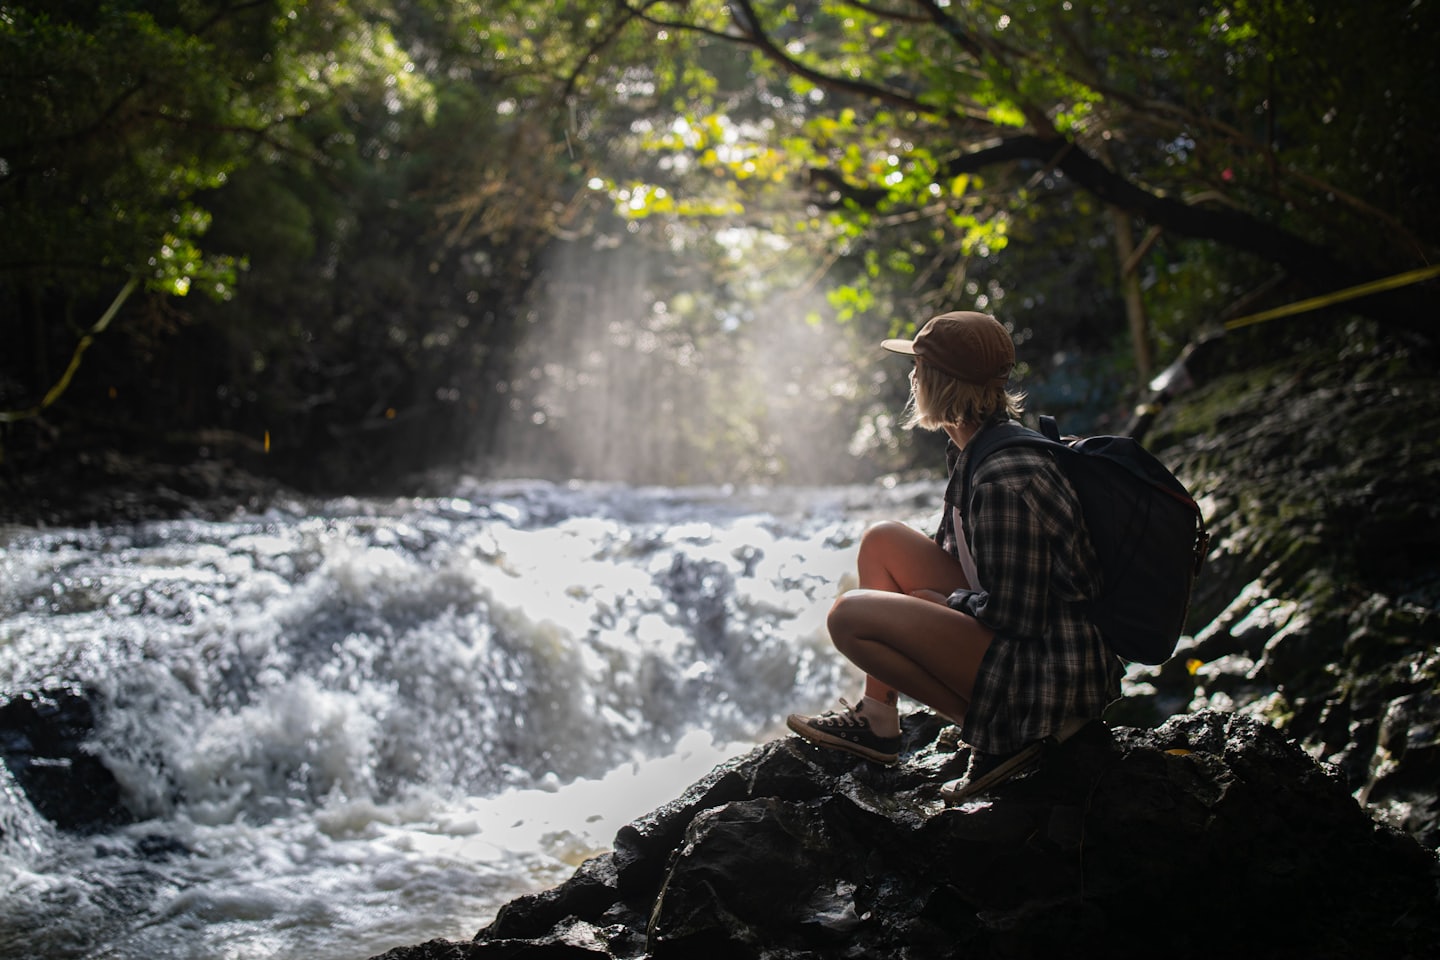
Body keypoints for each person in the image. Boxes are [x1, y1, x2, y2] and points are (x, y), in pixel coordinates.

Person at [786, 310, 1122, 797]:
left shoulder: (1005, 475)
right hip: (1032, 648)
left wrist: (943, 604)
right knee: (883, 540)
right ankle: (878, 717)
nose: (912, 376)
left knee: (848, 617)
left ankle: (1005, 740)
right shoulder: (976, 449)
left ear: (936, 382)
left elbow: (1018, 614)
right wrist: (940, 600)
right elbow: (974, 568)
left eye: (917, 368)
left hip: (1051, 676)